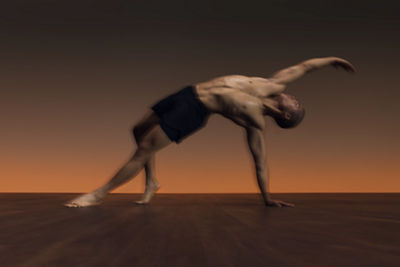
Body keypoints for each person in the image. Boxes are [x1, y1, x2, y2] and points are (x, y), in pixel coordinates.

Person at [64, 56, 355, 208]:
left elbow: (260, 161)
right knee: (137, 130)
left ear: (287, 114)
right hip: (186, 93)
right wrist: (332, 61)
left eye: (297, 103)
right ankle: (152, 182)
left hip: (194, 111)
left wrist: (267, 198)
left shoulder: (255, 121)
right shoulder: (273, 84)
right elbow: (305, 66)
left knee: (143, 150)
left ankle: (98, 195)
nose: (295, 96)